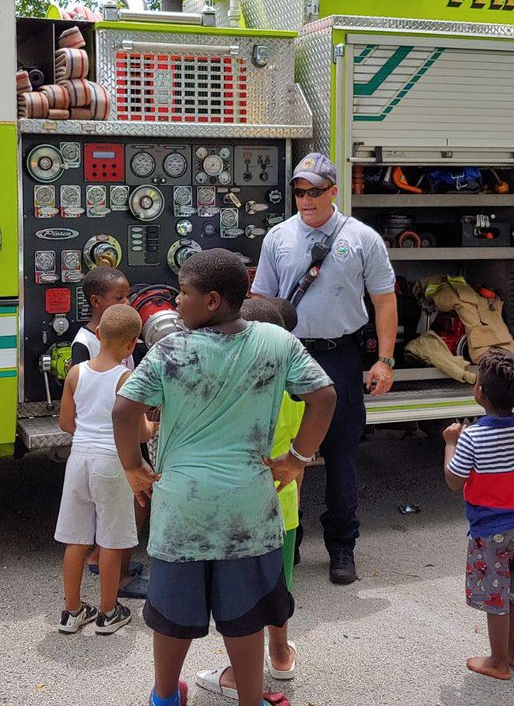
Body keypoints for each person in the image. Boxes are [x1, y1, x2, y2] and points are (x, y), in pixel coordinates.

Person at [112, 248, 337, 706]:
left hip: (182, 513)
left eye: (184, 293)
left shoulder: (170, 350)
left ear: (212, 300)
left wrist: (134, 469)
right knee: (246, 615)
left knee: (172, 617)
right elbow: (325, 397)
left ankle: (164, 697)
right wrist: (297, 459)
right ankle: (250, 699)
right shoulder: (278, 342)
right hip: (247, 511)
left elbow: (123, 407)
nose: (175, 302)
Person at [251, 151, 398, 585]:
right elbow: (261, 301)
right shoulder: (277, 238)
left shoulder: (363, 238)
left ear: (334, 191)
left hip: (340, 356)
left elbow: (384, 300)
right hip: (288, 356)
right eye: (300, 191)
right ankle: (286, 543)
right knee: (282, 451)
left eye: (315, 191)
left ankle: (341, 548)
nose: (306, 199)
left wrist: (384, 360)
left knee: (341, 456)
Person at [197, 296, 305, 700]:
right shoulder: (296, 387)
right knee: (279, 589)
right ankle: (281, 658)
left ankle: (240, 676)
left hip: (241, 508)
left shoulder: (233, 389)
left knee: (243, 600)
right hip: (286, 506)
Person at [442, 349, 514, 680]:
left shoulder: (472, 437)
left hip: (490, 531)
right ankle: (513, 651)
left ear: (479, 391)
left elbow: (453, 481)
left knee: (494, 595)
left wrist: (450, 443)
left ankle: (498, 661)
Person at [54, 304, 155, 635]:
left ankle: (71, 612)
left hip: (79, 459)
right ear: (132, 344)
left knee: (76, 539)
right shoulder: (127, 377)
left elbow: (66, 423)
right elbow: (139, 432)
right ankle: (108, 612)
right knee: (110, 540)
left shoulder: (75, 373)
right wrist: (154, 426)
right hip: (112, 462)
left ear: (98, 334)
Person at [72, 266, 148, 598]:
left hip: (121, 432)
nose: (127, 301)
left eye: (128, 295)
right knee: (139, 500)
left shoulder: (125, 339)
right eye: (119, 297)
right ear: (96, 301)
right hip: (115, 438)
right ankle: (119, 577)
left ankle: (98, 558)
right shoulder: (84, 344)